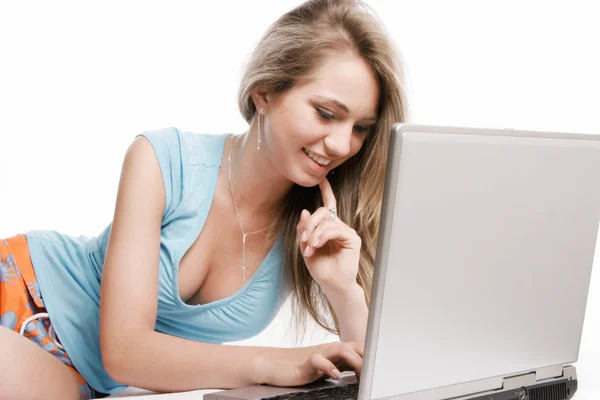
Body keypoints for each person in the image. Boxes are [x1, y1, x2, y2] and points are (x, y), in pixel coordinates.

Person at [0, 0, 408, 398]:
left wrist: (342, 289)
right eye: (325, 113)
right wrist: (272, 363)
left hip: (84, 380)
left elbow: (376, 384)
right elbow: (125, 352)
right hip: (23, 292)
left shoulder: (317, 226)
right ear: (264, 93)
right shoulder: (160, 158)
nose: (341, 144)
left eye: (361, 128)